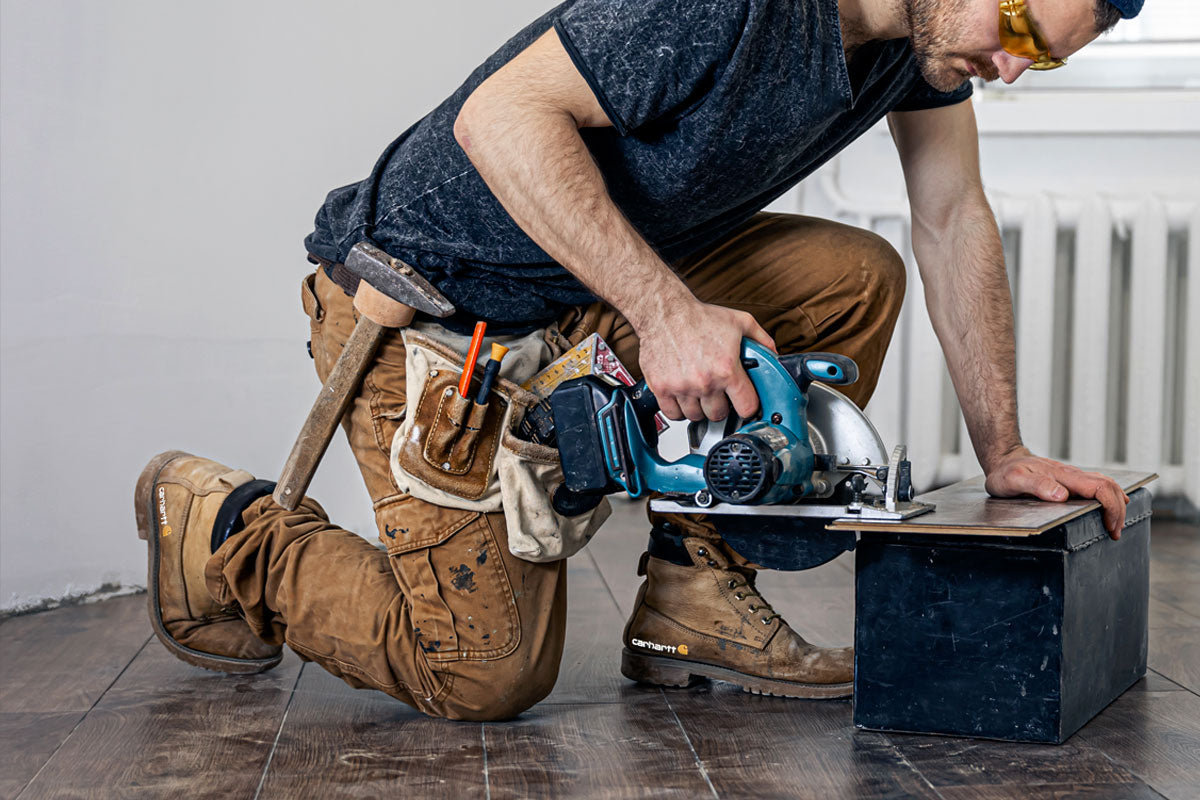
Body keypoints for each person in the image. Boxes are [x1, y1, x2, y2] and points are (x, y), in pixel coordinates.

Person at [137, 0, 1142, 720]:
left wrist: (1004, 451)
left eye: (1041, 59)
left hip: (581, 296)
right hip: (437, 310)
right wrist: (665, 316)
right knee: (481, 674)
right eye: (1019, 28)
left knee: (852, 279)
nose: (1013, 68)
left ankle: (692, 592)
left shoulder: (914, 50)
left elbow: (953, 215)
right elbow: (500, 117)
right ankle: (220, 526)